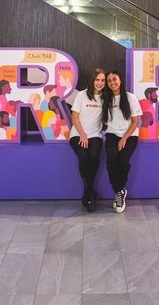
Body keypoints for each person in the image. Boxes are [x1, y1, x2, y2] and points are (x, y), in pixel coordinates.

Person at [101, 70, 142, 213]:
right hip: (112, 134)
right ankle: (120, 192)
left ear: (120, 80)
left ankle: (119, 192)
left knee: (123, 160)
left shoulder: (130, 98)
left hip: (130, 134)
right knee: (111, 161)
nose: (112, 82)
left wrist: (124, 138)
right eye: (109, 81)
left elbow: (135, 122)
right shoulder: (106, 98)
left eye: (114, 79)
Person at [69, 68, 107, 212]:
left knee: (94, 155)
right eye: (97, 79)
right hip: (77, 134)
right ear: (93, 80)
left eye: (102, 80)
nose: (100, 83)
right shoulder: (82, 95)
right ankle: (90, 190)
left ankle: (88, 190)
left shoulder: (105, 97)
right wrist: (82, 135)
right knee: (83, 156)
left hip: (95, 134)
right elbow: (75, 117)